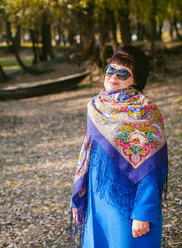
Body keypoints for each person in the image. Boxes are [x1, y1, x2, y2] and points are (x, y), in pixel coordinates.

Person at [70, 46, 168, 247]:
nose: (114, 76)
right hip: (98, 203)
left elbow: (151, 167)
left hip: (127, 205)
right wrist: (79, 196)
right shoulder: (97, 106)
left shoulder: (145, 112)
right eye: (110, 69)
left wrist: (144, 212)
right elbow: (88, 154)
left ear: (136, 79)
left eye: (123, 72)